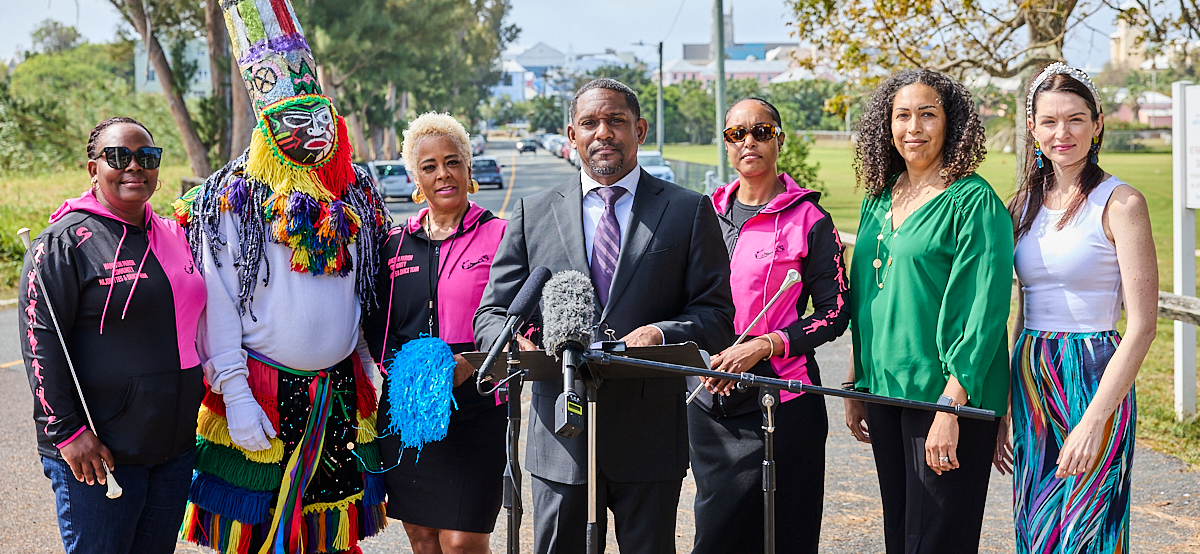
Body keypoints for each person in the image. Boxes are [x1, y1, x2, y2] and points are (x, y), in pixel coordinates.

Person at [474, 78, 734, 554]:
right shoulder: (533, 211)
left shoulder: (688, 210)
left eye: (616, 121)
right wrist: (514, 342)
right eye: (590, 123)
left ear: (640, 129)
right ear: (571, 135)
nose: (604, 133)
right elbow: (492, 311)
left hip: (649, 433)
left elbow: (716, 316)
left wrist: (660, 331)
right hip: (560, 433)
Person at [174, 0, 391, 551]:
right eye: (295, 121)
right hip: (261, 389)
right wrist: (236, 394)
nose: (312, 131)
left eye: (318, 117)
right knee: (253, 532)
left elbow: (362, 293)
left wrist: (368, 362)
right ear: (267, 129)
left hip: (338, 391)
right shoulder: (227, 201)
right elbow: (217, 305)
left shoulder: (355, 197)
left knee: (326, 530)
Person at [19, 117, 207, 554]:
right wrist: (67, 433)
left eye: (147, 157)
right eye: (118, 157)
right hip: (98, 453)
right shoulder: (63, 243)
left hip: (172, 449)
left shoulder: (174, 234)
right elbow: (38, 342)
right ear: (93, 169)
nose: (134, 167)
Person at [843, 69, 1012, 554]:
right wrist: (857, 383)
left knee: (938, 539)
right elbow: (865, 298)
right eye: (902, 115)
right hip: (886, 390)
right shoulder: (880, 196)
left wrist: (951, 404)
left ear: (951, 123)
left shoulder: (972, 200)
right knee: (900, 534)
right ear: (887, 125)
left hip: (945, 394)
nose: (913, 127)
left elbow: (984, 309)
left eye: (927, 114)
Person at [689, 98, 849, 554]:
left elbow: (835, 312)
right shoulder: (702, 215)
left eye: (760, 131)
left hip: (783, 403)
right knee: (717, 538)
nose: (749, 142)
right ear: (725, 144)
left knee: (786, 538)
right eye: (736, 134)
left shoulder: (810, 218)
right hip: (709, 402)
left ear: (779, 138)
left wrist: (766, 345)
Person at [1009, 63, 1157, 554]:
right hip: (1032, 375)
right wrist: (1005, 405)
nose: (1062, 133)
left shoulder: (1121, 203)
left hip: (1095, 373)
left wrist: (1095, 419)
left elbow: (1143, 327)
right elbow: (1019, 308)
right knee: (1036, 532)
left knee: (1085, 534)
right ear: (1032, 128)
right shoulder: (1022, 204)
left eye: (1075, 119)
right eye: (1049, 121)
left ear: (1097, 124)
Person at [362, 112, 508, 554]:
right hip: (407, 408)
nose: (443, 174)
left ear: (468, 168)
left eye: (452, 161)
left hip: (476, 403)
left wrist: (479, 365)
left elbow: (521, 322)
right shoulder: (392, 243)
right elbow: (373, 320)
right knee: (422, 537)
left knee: (462, 540)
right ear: (415, 177)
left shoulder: (501, 236)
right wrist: (396, 370)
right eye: (429, 166)